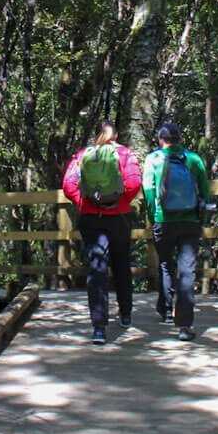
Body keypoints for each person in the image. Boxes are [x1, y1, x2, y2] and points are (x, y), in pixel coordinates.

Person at [62, 121, 142, 344]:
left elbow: (69, 185)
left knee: (96, 269)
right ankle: (125, 315)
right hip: (118, 216)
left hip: (90, 217)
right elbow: (135, 182)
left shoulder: (82, 155)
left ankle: (99, 327)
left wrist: (84, 202)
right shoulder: (125, 153)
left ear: (96, 134)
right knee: (121, 265)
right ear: (115, 135)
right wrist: (119, 201)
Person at [142, 121, 210, 341]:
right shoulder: (193, 159)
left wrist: (154, 216)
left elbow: (149, 190)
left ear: (161, 140)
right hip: (190, 220)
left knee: (164, 263)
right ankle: (185, 325)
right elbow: (205, 191)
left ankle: (166, 310)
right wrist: (201, 216)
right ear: (180, 139)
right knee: (187, 270)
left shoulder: (153, 159)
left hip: (164, 220)